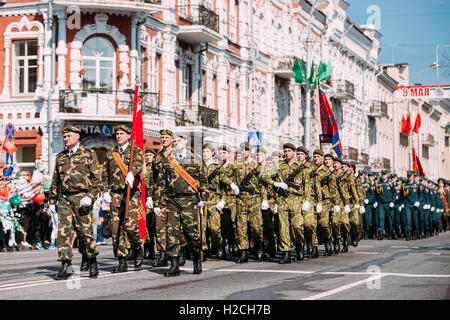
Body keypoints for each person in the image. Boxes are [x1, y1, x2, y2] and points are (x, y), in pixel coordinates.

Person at [153, 132, 208, 276]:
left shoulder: (195, 159)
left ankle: (196, 258)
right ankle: (174, 265)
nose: (176, 143)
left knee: (192, 233)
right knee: (172, 232)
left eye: (178, 140)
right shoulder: (168, 160)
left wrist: (204, 198)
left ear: (185, 141)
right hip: (172, 201)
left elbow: (203, 181)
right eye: (174, 141)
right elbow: (160, 183)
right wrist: (157, 203)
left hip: (190, 201)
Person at [49, 125, 100, 279]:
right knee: (63, 233)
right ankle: (66, 265)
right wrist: (52, 201)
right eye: (64, 136)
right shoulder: (60, 157)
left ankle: (92, 261)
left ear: (77, 136)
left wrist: (90, 197)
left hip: (81, 198)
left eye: (69, 136)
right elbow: (55, 181)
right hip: (64, 199)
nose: (66, 139)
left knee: (85, 232)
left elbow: (96, 179)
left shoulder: (88, 154)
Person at [101, 125, 144, 273]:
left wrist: (131, 173)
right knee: (116, 228)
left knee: (130, 226)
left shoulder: (135, 150)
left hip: (131, 193)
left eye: (122, 133)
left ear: (128, 136)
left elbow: (138, 163)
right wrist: (104, 191)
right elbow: (105, 174)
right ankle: (122, 260)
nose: (119, 136)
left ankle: (137, 246)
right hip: (115, 194)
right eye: (117, 134)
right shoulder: (110, 153)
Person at [262, 143, 304, 264]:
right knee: (283, 227)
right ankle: (286, 253)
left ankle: (299, 245)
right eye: (285, 151)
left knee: (297, 226)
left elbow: (306, 184)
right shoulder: (278, 165)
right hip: (282, 199)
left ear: (294, 152)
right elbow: (263, 176)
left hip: (296, 199)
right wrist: (276, 184)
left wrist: (306, 200)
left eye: (289, 151)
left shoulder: (301, 166)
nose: (286, 153)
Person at [144, 147, 157, 259]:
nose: (148, 157)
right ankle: (149, 249)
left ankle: (163, 251)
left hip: (156, 199)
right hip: (145, 200)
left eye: (150, 155)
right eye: (146, 155)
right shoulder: (144, 168)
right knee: (147, 226)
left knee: (158, 226)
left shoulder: (157, 168)